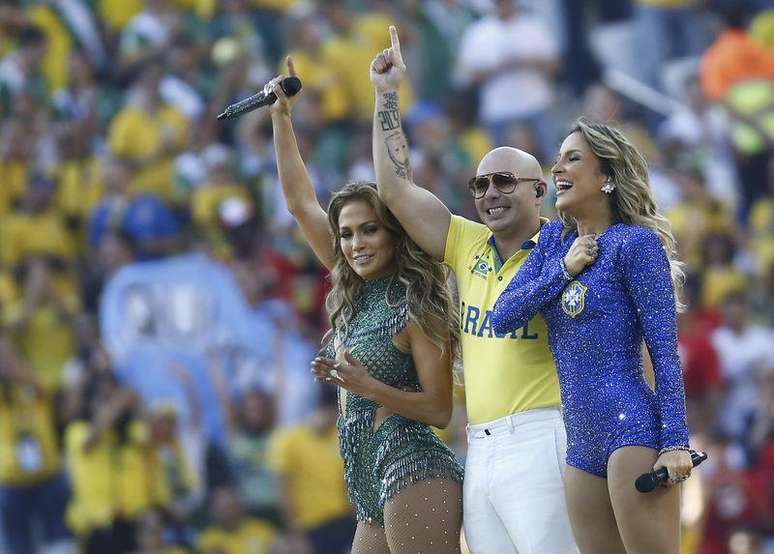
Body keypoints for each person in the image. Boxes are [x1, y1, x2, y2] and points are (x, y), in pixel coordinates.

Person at [370, 26, 577, 554]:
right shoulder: (467, 242)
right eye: (481, 185)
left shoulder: (570, 250)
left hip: (546, 435)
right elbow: (394, 190)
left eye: (505, 181)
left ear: (540, 190)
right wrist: (387, 95)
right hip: (479, 445)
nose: (490, 193)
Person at [267, 57, 464, 553]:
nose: (355, 244)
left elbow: (439, 409)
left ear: (395, 234)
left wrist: (366, 385)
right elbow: (300, 205)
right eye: (347, 234)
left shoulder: (418, 304)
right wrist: (282, 118)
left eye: (369, 229)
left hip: (413, 465)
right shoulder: (353, 288)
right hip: (367, 481)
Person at [491, 118, 694, 553]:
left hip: (632, 430)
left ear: (606, 177)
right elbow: (502, 316)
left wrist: (676, 441)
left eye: (573, 158)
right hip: (580, 445)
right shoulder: (552, 245)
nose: (557, 167)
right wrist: (565, 268)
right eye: (557, 158)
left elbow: (663, 351)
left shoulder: (635, 245)